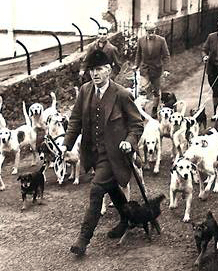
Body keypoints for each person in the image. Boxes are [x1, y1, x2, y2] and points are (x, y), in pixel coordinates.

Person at [66, 49, 144, 256]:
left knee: (96, 190)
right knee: (111, 187)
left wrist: (129, 141)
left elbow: (137, 125)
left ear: (109, 70)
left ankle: (83, 240)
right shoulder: (84, 91)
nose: (95, 73)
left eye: (99, 69)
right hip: (94, 153)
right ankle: (127, 220)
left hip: (115, 155)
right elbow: (75, 121)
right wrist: (66, 146)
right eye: (92, 70)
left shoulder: (122, 95)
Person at [134, 22, 170, 117]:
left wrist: (166, 69)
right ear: (145, 31)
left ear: (155, 31)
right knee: (143, 90)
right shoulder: (141, 40)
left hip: (156, 69)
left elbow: (166, 56)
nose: (151, 34)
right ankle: (142, 110)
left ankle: (154, 109)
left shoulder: (161, 40)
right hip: (145, 68)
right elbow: (138, 54)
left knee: (156, 91)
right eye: (148, 32)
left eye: (152, 31)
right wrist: (136, 65)